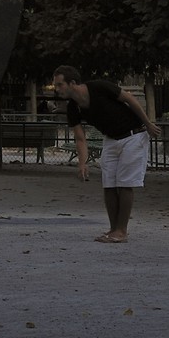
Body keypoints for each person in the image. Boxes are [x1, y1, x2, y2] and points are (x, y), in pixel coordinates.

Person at [51, 65, 160, 243]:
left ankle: (121, 230)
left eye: (60, 85)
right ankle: (113, 229)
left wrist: (147, 123)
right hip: (111, 138)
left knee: (125, 183)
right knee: (109, 183)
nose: (57, 89)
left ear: (72, 83)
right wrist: (82, 162)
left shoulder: (98, 87)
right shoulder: (73, 108)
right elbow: (80, 138)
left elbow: (129, 99)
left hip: (133, 135)